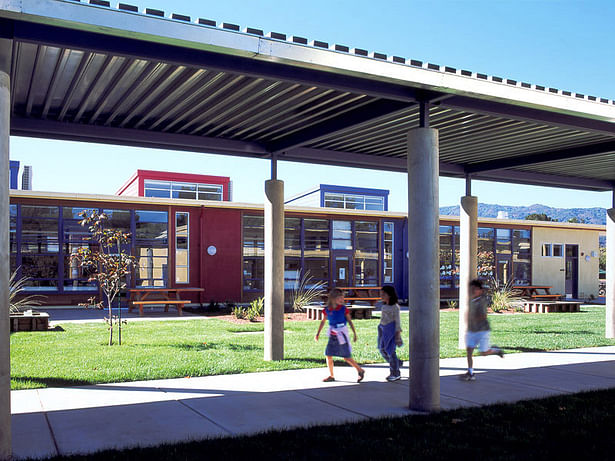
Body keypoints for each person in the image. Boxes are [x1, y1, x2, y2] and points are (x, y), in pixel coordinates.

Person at [315, 288, 365, 383]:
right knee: (328, 355)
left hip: (342, 335)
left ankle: (360, 370)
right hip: (333, 336)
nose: (342, 300)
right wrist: (318, 333)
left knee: (346, 357)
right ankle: (331, 375)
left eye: (343, 298)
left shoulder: (343, 309)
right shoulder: (327, 310)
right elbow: (323, 322)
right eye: (340, 298)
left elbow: (349, 321)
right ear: (333, 299)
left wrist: (354, 333)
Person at [461, 279, 504, 381]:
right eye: (471, 289)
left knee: (483, 353)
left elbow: (483, 316)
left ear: (480, 290)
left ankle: (496, 350)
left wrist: (473, 319)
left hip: (482, 330)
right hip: (471, 330)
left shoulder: (482, 301)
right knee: (469, 351)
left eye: (475, 289)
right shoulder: (470, 300)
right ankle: (470, 372)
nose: (473, 291)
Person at [378, 285, 403, 382]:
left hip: (391, 331)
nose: (381, 295)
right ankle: (396, 363)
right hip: (383, 329)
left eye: (384, 294)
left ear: (390, 295)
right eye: (381, 293)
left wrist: (398, 336)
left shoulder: (395, 307)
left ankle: (395, 373)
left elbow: (397, 322)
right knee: (382, 349)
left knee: (390, 351)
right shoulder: (384, 306)